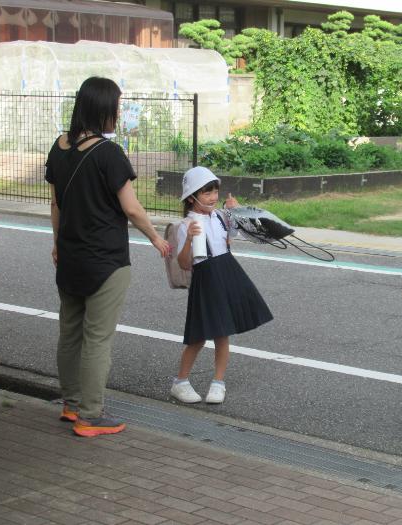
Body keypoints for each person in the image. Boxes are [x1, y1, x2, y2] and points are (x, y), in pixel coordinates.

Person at [46, 77, 170, 437]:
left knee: (69, 333)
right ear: (102, 108)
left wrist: (57, 242)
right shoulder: (108, 153)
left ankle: (70, 405)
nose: (119, 113)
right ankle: (90, 415)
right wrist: (155, 238)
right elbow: (131, 208)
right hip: (105, 260)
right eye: (116, 106)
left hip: (69, 255)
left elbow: (56, 204)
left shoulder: (59, 146)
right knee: (97, 339)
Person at [170, 166, 273, 405]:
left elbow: (239, 234)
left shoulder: (219, 216)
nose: (213, 196)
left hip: (227, 272)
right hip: (206, 278)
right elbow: (184, 264)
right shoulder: (187, 225)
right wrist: (190, 241)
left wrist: (236, 212)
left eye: (215, 191)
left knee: (222, 332)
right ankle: (180, 382)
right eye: (207, 192)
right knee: (198, 336)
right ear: (191, 197)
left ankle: (218, 382)